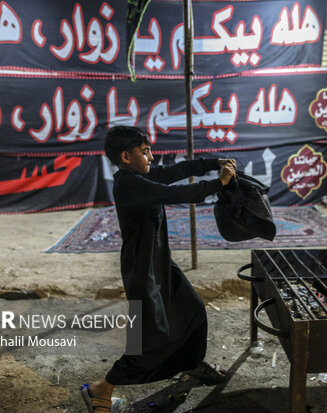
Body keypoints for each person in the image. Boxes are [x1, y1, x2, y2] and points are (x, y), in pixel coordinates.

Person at [81, 126, 237, 413]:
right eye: (145, 151)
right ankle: (101, 390)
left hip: (160, 263)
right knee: (149, 339)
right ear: (126, 157)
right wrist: (220, 183)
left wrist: (215, 163)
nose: (151, 156)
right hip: (142, 272)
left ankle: (192, 365)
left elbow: (180, 170)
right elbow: (177, 193)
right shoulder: (128, 184)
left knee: (192, 310)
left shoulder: (142, 175)